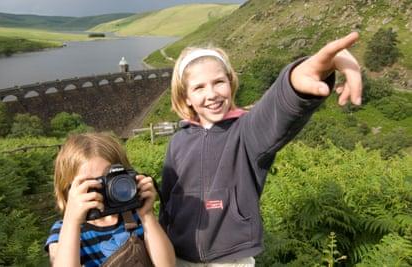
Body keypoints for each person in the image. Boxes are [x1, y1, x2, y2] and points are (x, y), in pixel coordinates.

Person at [159, 32, 362, 266]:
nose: (212, 94)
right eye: (199, 88)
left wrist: (304, 76)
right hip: (179, 257)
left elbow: (276, 108)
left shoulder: (246, 132)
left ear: (230, 82)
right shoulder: (178, 142)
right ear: (186, 97)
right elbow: (168, 202)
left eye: (218, 82)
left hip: (231, 260)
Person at [45, 132, 175, 267]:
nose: (102, 190)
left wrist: (147, 215)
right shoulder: (65, 230)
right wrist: (71, 221)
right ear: (67, 189)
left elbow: (167, 265)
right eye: (90, 184)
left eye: (108, 180)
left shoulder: (137, 218)